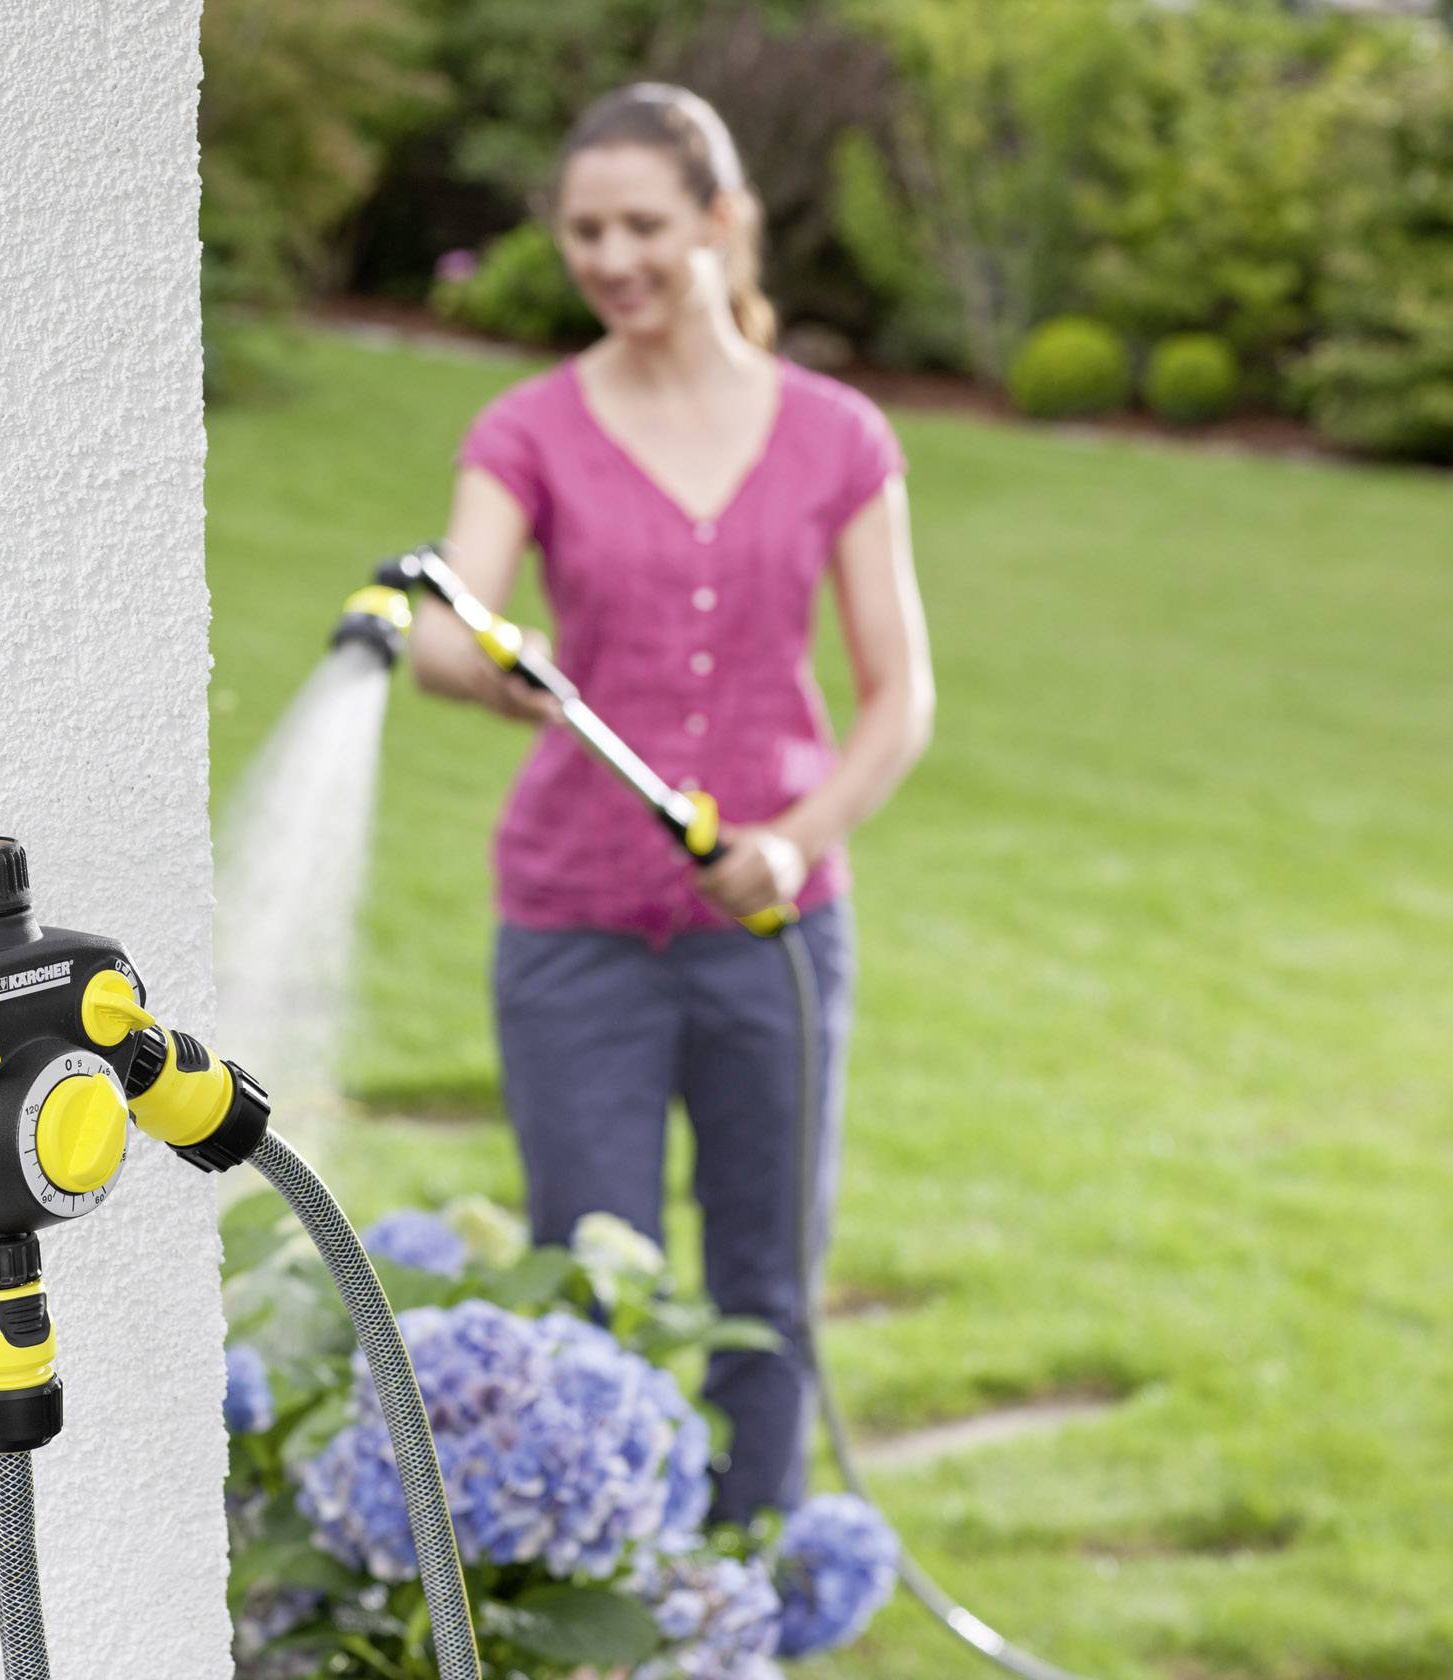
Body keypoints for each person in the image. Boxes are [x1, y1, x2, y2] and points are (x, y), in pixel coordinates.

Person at [408, 84, 935, 1523]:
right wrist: (481, 665)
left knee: (768, 1284)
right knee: (595, 1283)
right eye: (585, 232)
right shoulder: (527, 427)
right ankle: (620, 1581)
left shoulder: (838, 436)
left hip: (773, 936)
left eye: (643, 225)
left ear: (720, 220)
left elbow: (899, 695)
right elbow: (447, 623)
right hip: (574, 930)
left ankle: (749, 1585)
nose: (612, 258)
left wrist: (795, 846)